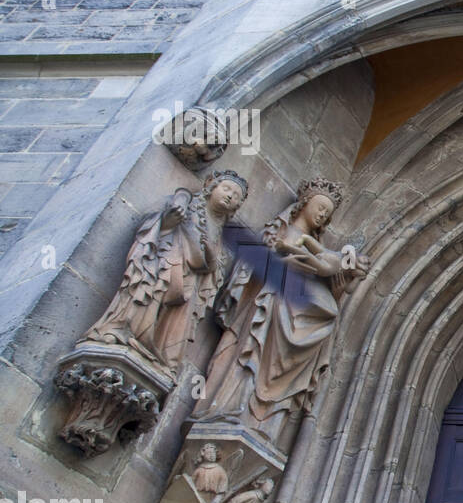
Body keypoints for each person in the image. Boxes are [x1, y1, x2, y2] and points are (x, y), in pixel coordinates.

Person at [188, 177, 370, 453]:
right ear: (304, 203)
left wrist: (342, 276)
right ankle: (228, 409)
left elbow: (329, 278)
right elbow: (252, 269)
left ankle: (264, 426)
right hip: (267, 306)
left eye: (327, 213)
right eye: (320, 206)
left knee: (294, 348)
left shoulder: (315, 246)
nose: (322, 214)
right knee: (250, 354)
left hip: (297, 315)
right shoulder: (278, 233)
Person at [83, 170, 247, 375]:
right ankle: (119, 331)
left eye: (236, 196)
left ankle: (160, 357)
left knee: (178, 318)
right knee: (148, 291)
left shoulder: (220, 235)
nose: (230, 195)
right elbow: (157, 222)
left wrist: (210, 255)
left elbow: (213, 269)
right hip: (166, 261)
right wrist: (167, 223)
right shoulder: (187, 203)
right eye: (226, 188)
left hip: (189, 283)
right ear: (211, 186)